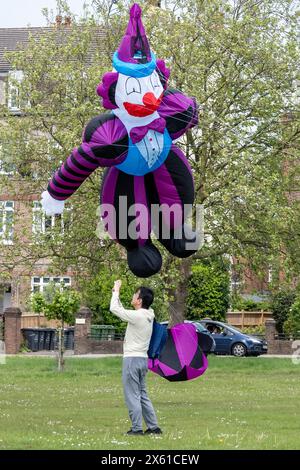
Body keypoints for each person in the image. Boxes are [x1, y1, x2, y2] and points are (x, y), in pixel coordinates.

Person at [110, 280, 162, 436]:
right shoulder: (149, 315)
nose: (133, 296)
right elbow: (121, 309)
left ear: (139, 301)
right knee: (142, 394)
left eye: (135, 294)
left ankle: (137, 428)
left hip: (132, 360)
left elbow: (114, 308)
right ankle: (153, 427)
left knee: (132, 394)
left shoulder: (138, 316)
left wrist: (116, 290)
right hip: (142, 359)